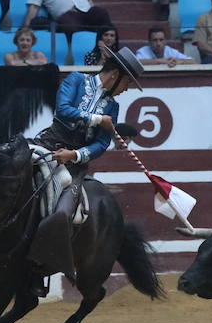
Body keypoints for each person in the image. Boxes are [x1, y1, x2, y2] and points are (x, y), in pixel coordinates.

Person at [26, 47, 144, 296]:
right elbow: (63, 110)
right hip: (47, 145)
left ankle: (37, 268)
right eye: (127, 83)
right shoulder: (76, 80)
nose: (126, 89)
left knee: (65, 213)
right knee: (6, 175)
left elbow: (101, 144)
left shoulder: (112, 106)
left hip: (74, 164)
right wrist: (98, 120)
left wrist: (75, 155)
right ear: (115, 75)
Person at [22, 0, 112, 37]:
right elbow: (34, 7)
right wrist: (25, 28)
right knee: (69, 23)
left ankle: (110, 47)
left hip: (86, 11)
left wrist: (93, 10)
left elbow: (89, 1)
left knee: (101, 13)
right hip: (68, 15)